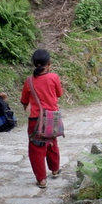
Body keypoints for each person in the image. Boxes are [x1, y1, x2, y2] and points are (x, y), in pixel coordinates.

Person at [20, 49, 64, 189]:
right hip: (52, 117)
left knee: (36, 149)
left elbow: (24, 100)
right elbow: (59, 94)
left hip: (36, 120)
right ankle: (55, 170)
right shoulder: (54, 77)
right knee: (52, 142)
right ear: (49, 63)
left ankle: (41, 180)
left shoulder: (29, 81)